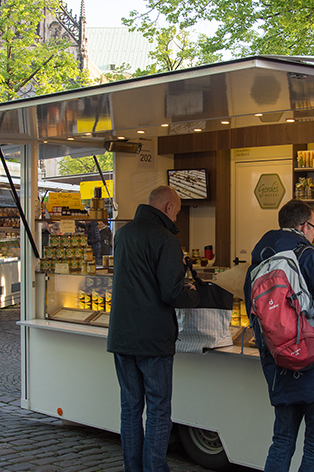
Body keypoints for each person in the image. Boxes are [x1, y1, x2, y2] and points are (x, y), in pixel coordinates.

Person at [243, 199, 314, 472]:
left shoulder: (257, 266)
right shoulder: (309, 257)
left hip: (280, 367)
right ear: (305, 226)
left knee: (281, 442)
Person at [107, 185, 199, 471]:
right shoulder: (166, 239)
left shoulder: (122, 234)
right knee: (159, 410)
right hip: (153, 338)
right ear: (169, 207)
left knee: (130, 408)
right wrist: (193, 291)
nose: (177, 218)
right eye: (178, 212)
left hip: (122, 334)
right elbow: (170, 293)